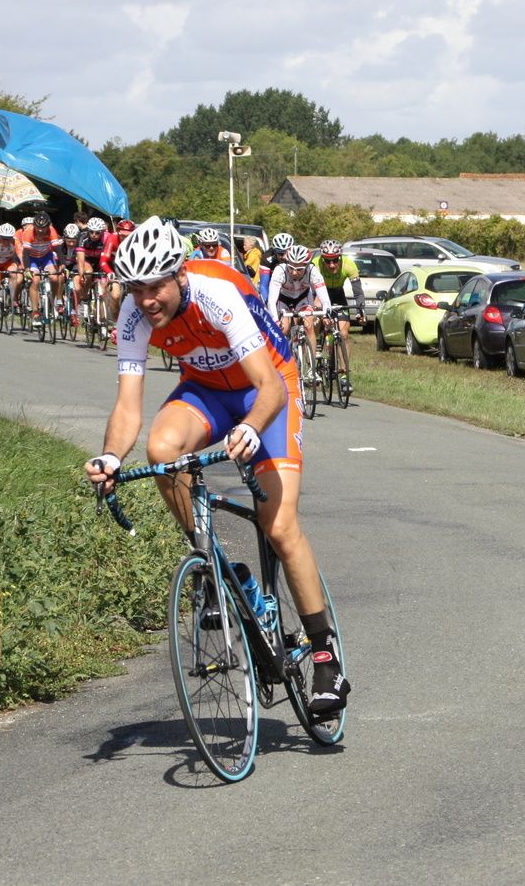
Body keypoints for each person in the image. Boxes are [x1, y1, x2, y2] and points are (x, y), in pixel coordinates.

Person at [83, 217, 348, 716]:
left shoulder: (217, 294)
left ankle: (324, 656)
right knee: (161, 451)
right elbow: (127, 407)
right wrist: (112, 456)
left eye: (155, 286)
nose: (146, 301)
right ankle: (215, 568)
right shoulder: (133, 318)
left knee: (279, 524)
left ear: (180, 275)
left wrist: (249, 427)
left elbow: (268, 387)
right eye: (136, 290)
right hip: (206, 392)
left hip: (266, 389)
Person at [314, 239, 363, 397]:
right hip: (320, 294)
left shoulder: (349, 265)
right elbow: (311, 292)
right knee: (316, 318)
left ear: (340, 258)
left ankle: (344, 376)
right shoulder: (315, 265)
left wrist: (360, 310)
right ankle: (317, 349)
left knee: (344, 335)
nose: (332, 265)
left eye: (335, 260)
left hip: (338, 295)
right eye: (328, 261)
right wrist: (319, 312)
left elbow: (358, 292)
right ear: (322, 259)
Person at [267, 244, 331, 356]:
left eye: (299, 269)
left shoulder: (313, 272)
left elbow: (324, 298)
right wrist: (275, 320)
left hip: (303, 298)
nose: (294, 273)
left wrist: (326, 314)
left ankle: (311, 367)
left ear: (306, 266)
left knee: (309, 326)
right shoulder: (279, 271)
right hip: (284, 300)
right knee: (283, 329)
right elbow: (272, 300)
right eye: (291, 268)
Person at [17, 213, 64, 326]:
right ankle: (35, 312)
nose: (41, 230)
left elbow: (58, 249)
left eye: (43, 228)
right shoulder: (28, 232)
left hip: (46, 256)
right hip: (31, 258)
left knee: (54, 277)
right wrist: (27, 269)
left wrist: (62, 265)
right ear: (34, 226)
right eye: (38, 227)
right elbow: (25, 254)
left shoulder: (51, 231)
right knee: (35, 280)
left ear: (48, 226)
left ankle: (52, 302)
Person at [0, 223, 23, 310]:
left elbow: (21, 256)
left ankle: (13, 300)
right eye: (3, 238)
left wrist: (25, 268)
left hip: (7, 263)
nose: (6, 241)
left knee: (15, 274)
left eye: (8, 239)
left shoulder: (16, 242)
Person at [258, 232, 294, 304]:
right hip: (272, 286)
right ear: (274, 251)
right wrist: (267, 302)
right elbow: (264, 285)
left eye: (287, 253)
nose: (284, 257)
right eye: (280, 253)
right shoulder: (267, 258)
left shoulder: (295, 256)